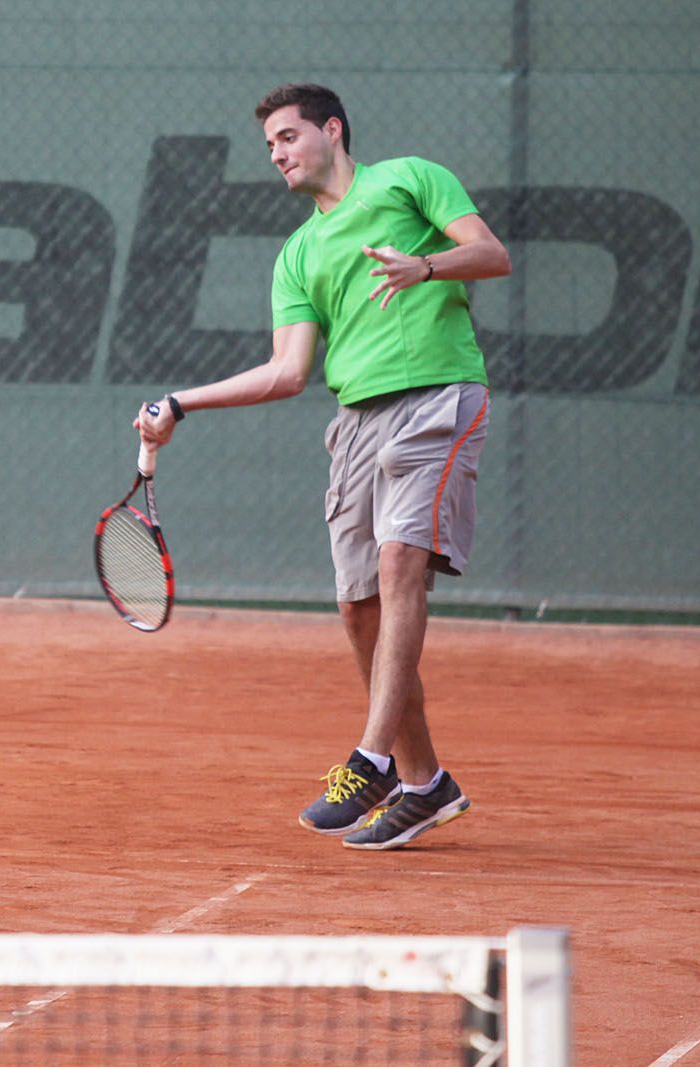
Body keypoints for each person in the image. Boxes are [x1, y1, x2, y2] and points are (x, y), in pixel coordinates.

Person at [135, 83, 511, 850]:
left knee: (403, 562)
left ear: (331, 129)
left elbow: (492, 254)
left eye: (286, 136)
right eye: (269, 145)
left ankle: (370, 760)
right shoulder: (297, 254)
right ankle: (425, 782)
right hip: (356, 422)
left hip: (437, 398)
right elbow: (287, 371)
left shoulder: (407, 178)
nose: (276, 154)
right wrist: (181, 402)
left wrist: (427, 268)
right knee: (358, 606)